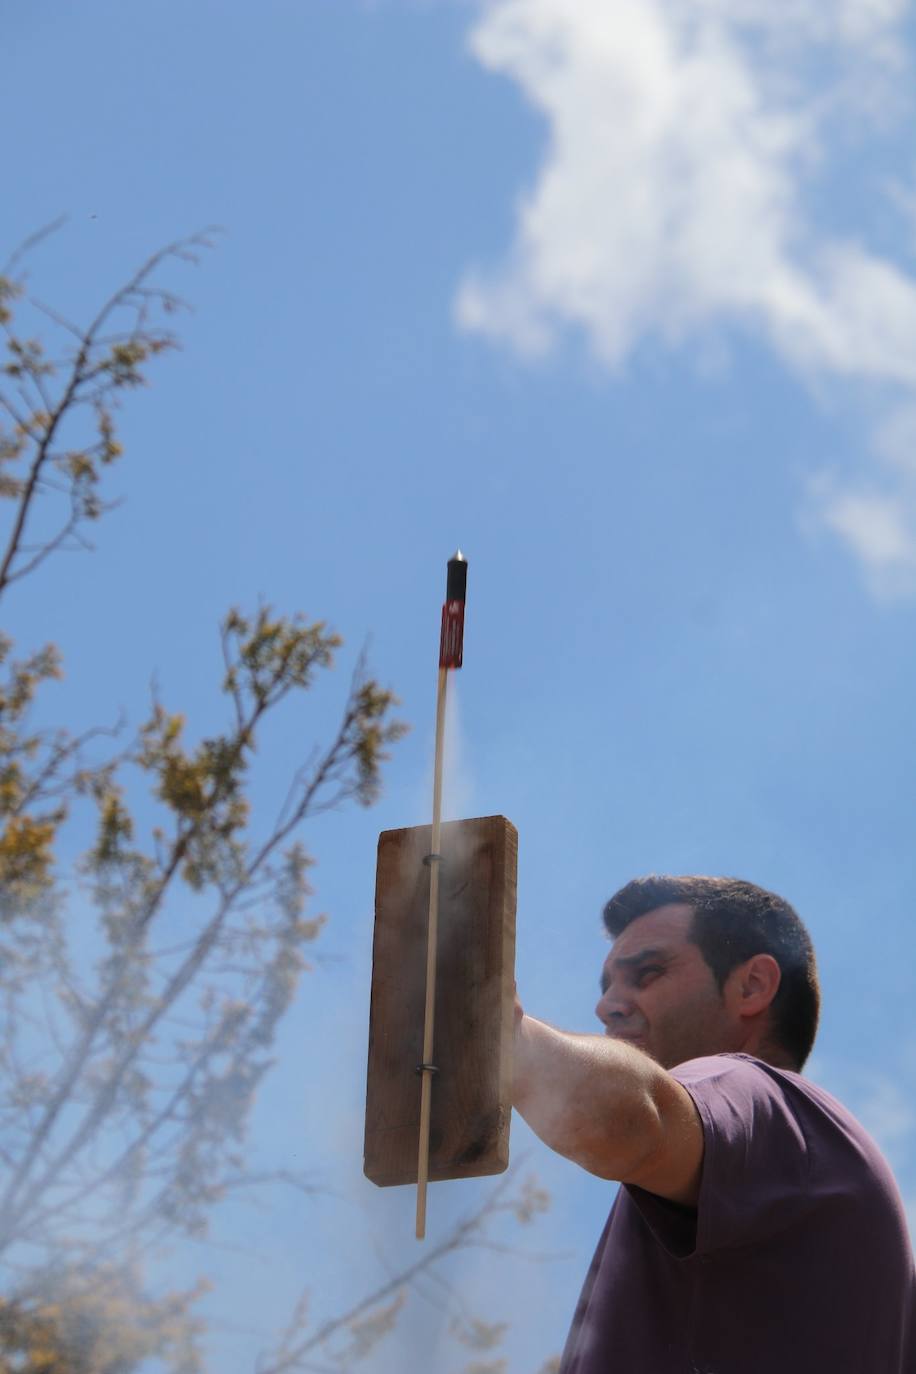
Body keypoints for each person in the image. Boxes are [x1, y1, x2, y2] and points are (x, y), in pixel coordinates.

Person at [512, 875, 915, 1373]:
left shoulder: (751, 1092)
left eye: (648, 973)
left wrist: (500, 1038)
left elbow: (634, 1121)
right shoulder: (817, 1160)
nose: (607, 1004)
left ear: (751, 986)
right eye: (609, 984)